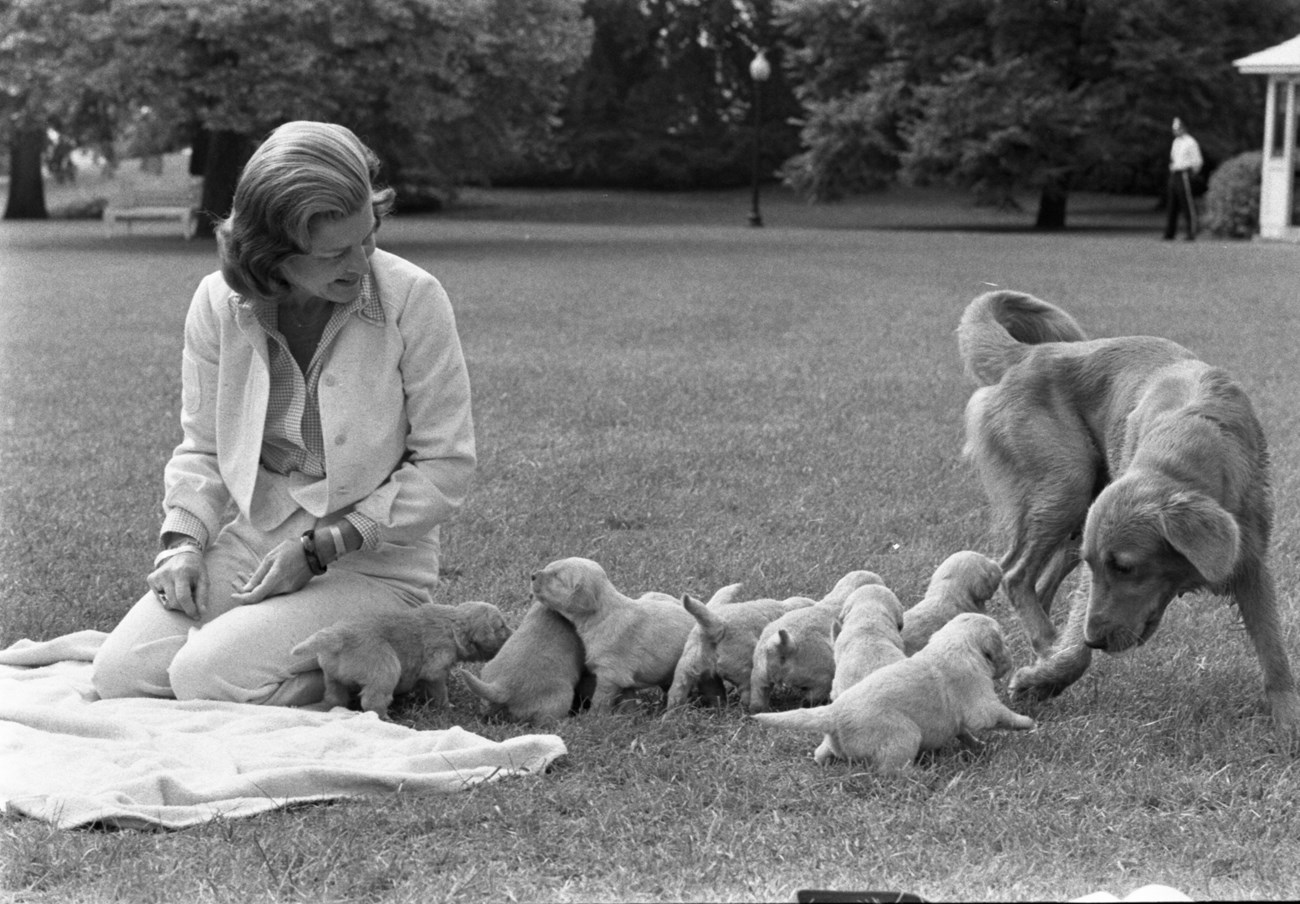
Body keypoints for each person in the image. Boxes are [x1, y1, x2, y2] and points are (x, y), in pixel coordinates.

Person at [92, 121, 476, 706]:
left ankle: (383, 662)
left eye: (367, 238)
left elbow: (445, 466)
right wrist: (183, 546)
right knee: (119, 675)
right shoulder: (217, 304)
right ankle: (316, 666)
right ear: (273, 255)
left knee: (203, 675)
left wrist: (321, 547)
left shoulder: (414, 299)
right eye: (335, 253)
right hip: (256, 542)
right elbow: (202, 448)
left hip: (374, 564)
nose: (361, 263)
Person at [1164, 116, 1203, 241]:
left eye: (1178, 128)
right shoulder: (1176, 142)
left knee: (1187, 204)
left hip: (1185, 174)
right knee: (1172, 204)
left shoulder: (1190, 142)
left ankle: (1191, 231)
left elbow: (1197, 161)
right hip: (1175, 173)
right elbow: (1174, 158)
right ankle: (1170, 232)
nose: (1176, 131)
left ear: (1184, 128)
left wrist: (1192, 173)